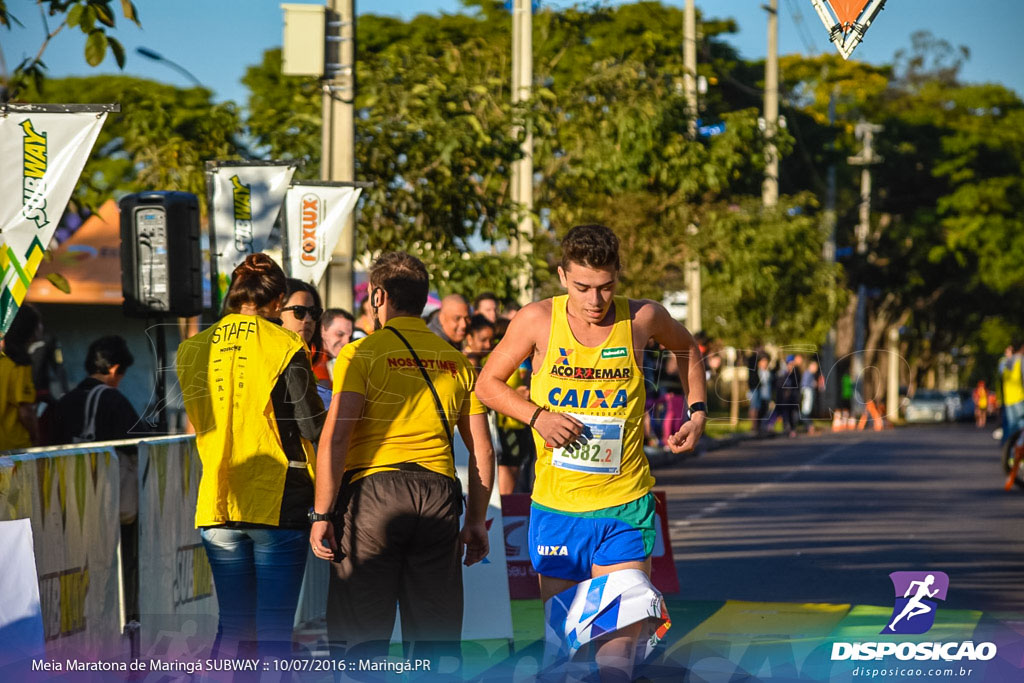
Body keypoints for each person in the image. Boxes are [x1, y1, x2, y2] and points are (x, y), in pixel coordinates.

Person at [476, 224, 706, 681]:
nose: (595, 301)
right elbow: (487, 384)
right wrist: (537, 416)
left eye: (606, 288)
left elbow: (687, 347)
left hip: (625, 505)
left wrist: (697, 412)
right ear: (563, 276)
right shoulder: (537, 320)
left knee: (616, 660)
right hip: (558, 508)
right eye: (583, 287)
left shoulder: (642, 318)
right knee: (567, 655)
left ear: (618, 278)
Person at [310, 252, 494, 666]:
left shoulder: (362, 354)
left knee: (359, 634)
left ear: (378, 296)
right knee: (436, 637)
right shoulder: (457, 361)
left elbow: (337, 438)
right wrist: (477, 521)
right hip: (438, 497)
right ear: (423, 299)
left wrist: (321, 514)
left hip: (373, 497)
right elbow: (483, 449)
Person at [176, 253, 325, 660]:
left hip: (218, 500)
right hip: (277, 498)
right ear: (277, 301)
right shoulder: (285, 344)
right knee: (274, 629)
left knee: (234, 626)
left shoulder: (191, 349)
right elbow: (312, 426)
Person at [46, 334, 144, 620]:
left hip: (69, 502)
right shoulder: (113, 400)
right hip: (110, 502)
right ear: (114, 369)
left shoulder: (64, 401)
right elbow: (137, 445)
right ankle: (121, 619)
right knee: (118, 565)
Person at [281, 278, 330, 410]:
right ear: (276, 310)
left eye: (314, 313)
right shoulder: (268, 361)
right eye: (299, 311)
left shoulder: (308, 359)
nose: (308, 320)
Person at [0, 303, 42, 451]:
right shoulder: (20, 364)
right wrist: (36, 437)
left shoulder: (3, 360)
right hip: (14, 446)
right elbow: (25, 411)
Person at [320, 308, 356, 382]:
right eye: (340, 334)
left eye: (350, 337)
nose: (347, 342)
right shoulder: (311, 361)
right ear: (323, 330)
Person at [800, 358, 820, 433]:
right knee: (805, 410)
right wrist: (813, 384)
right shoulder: (807, 373)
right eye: (815, 367)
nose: (816, 369)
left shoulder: (811, 374)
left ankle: (808, 426)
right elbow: (804, 385)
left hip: (809, 393)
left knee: (807, 410)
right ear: (811, 366)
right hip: (807, 393)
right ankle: (809, 426)